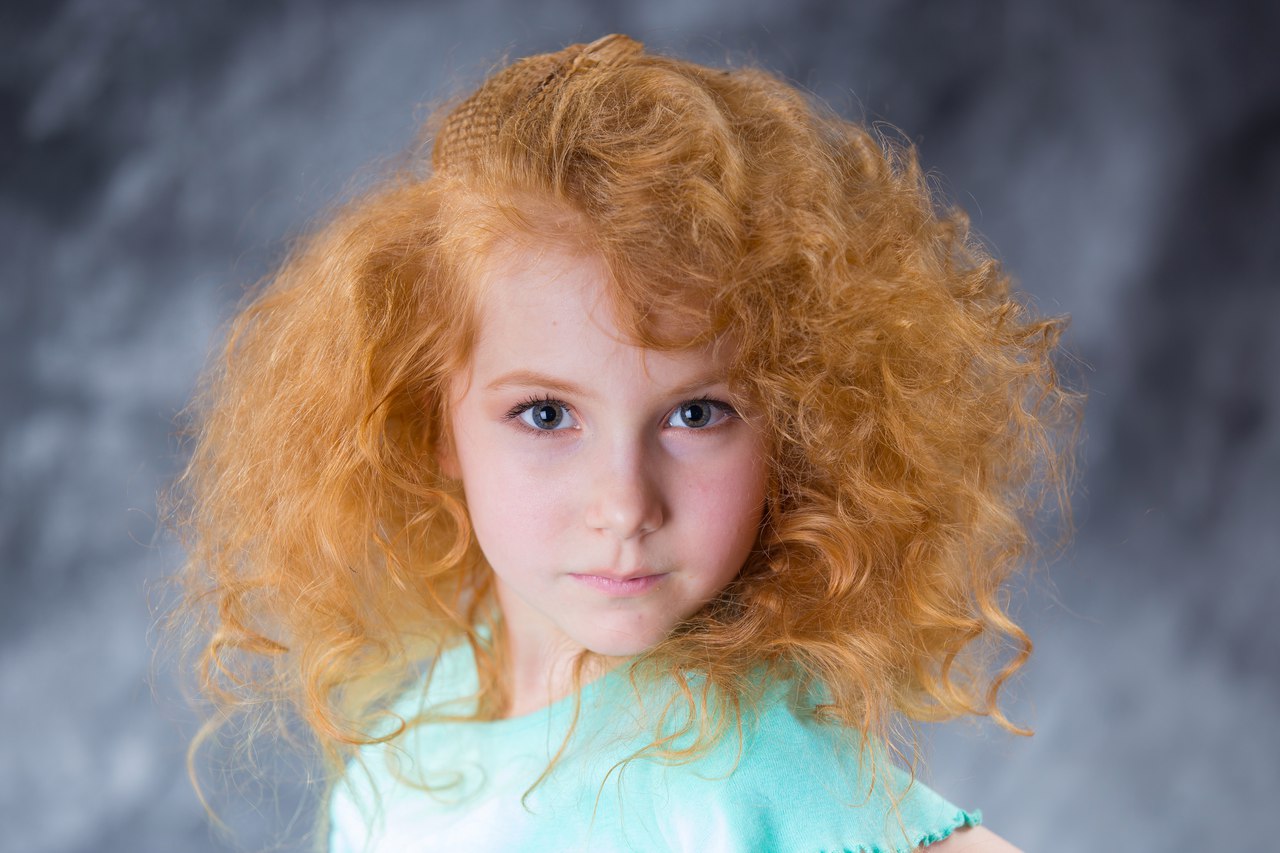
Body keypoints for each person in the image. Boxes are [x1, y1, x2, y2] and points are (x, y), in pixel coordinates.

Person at [174, 34, 1076, 852]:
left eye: (697, 414)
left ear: (800, 426)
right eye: (545, 415)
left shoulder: (749, 767)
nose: (624, 505)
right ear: (433, 418)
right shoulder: (408, 749)